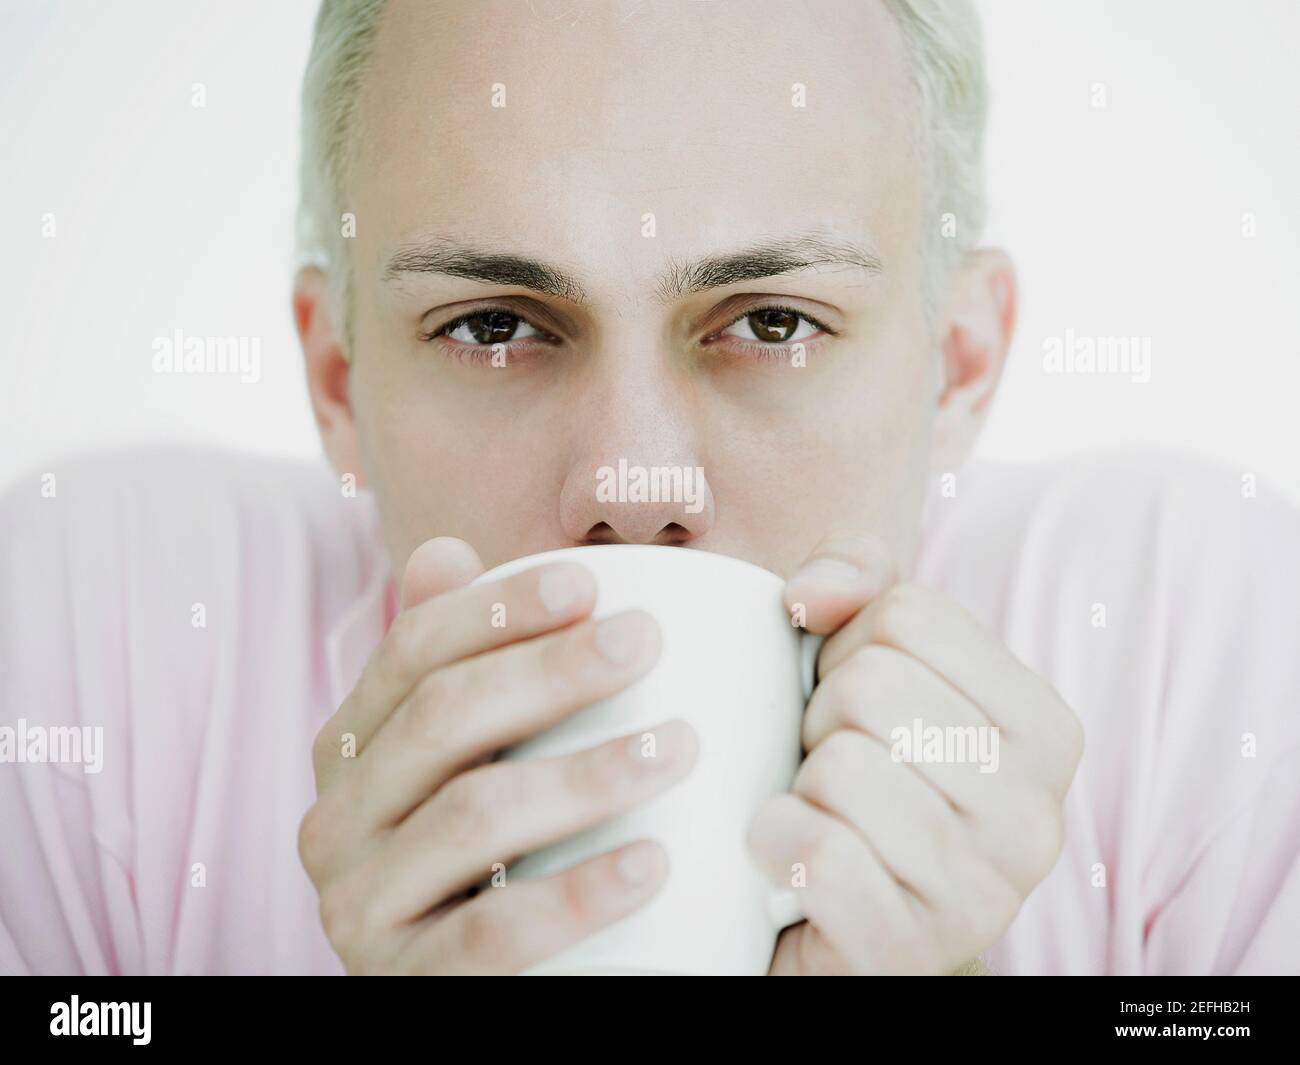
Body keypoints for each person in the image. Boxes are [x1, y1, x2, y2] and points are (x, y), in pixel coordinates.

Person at [1, 0, 1296, 976]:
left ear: (958, 364)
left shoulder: (1212, 656)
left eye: (775, 321)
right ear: (338, 381)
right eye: (496, 326)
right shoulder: (80, 646)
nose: (632, 485)